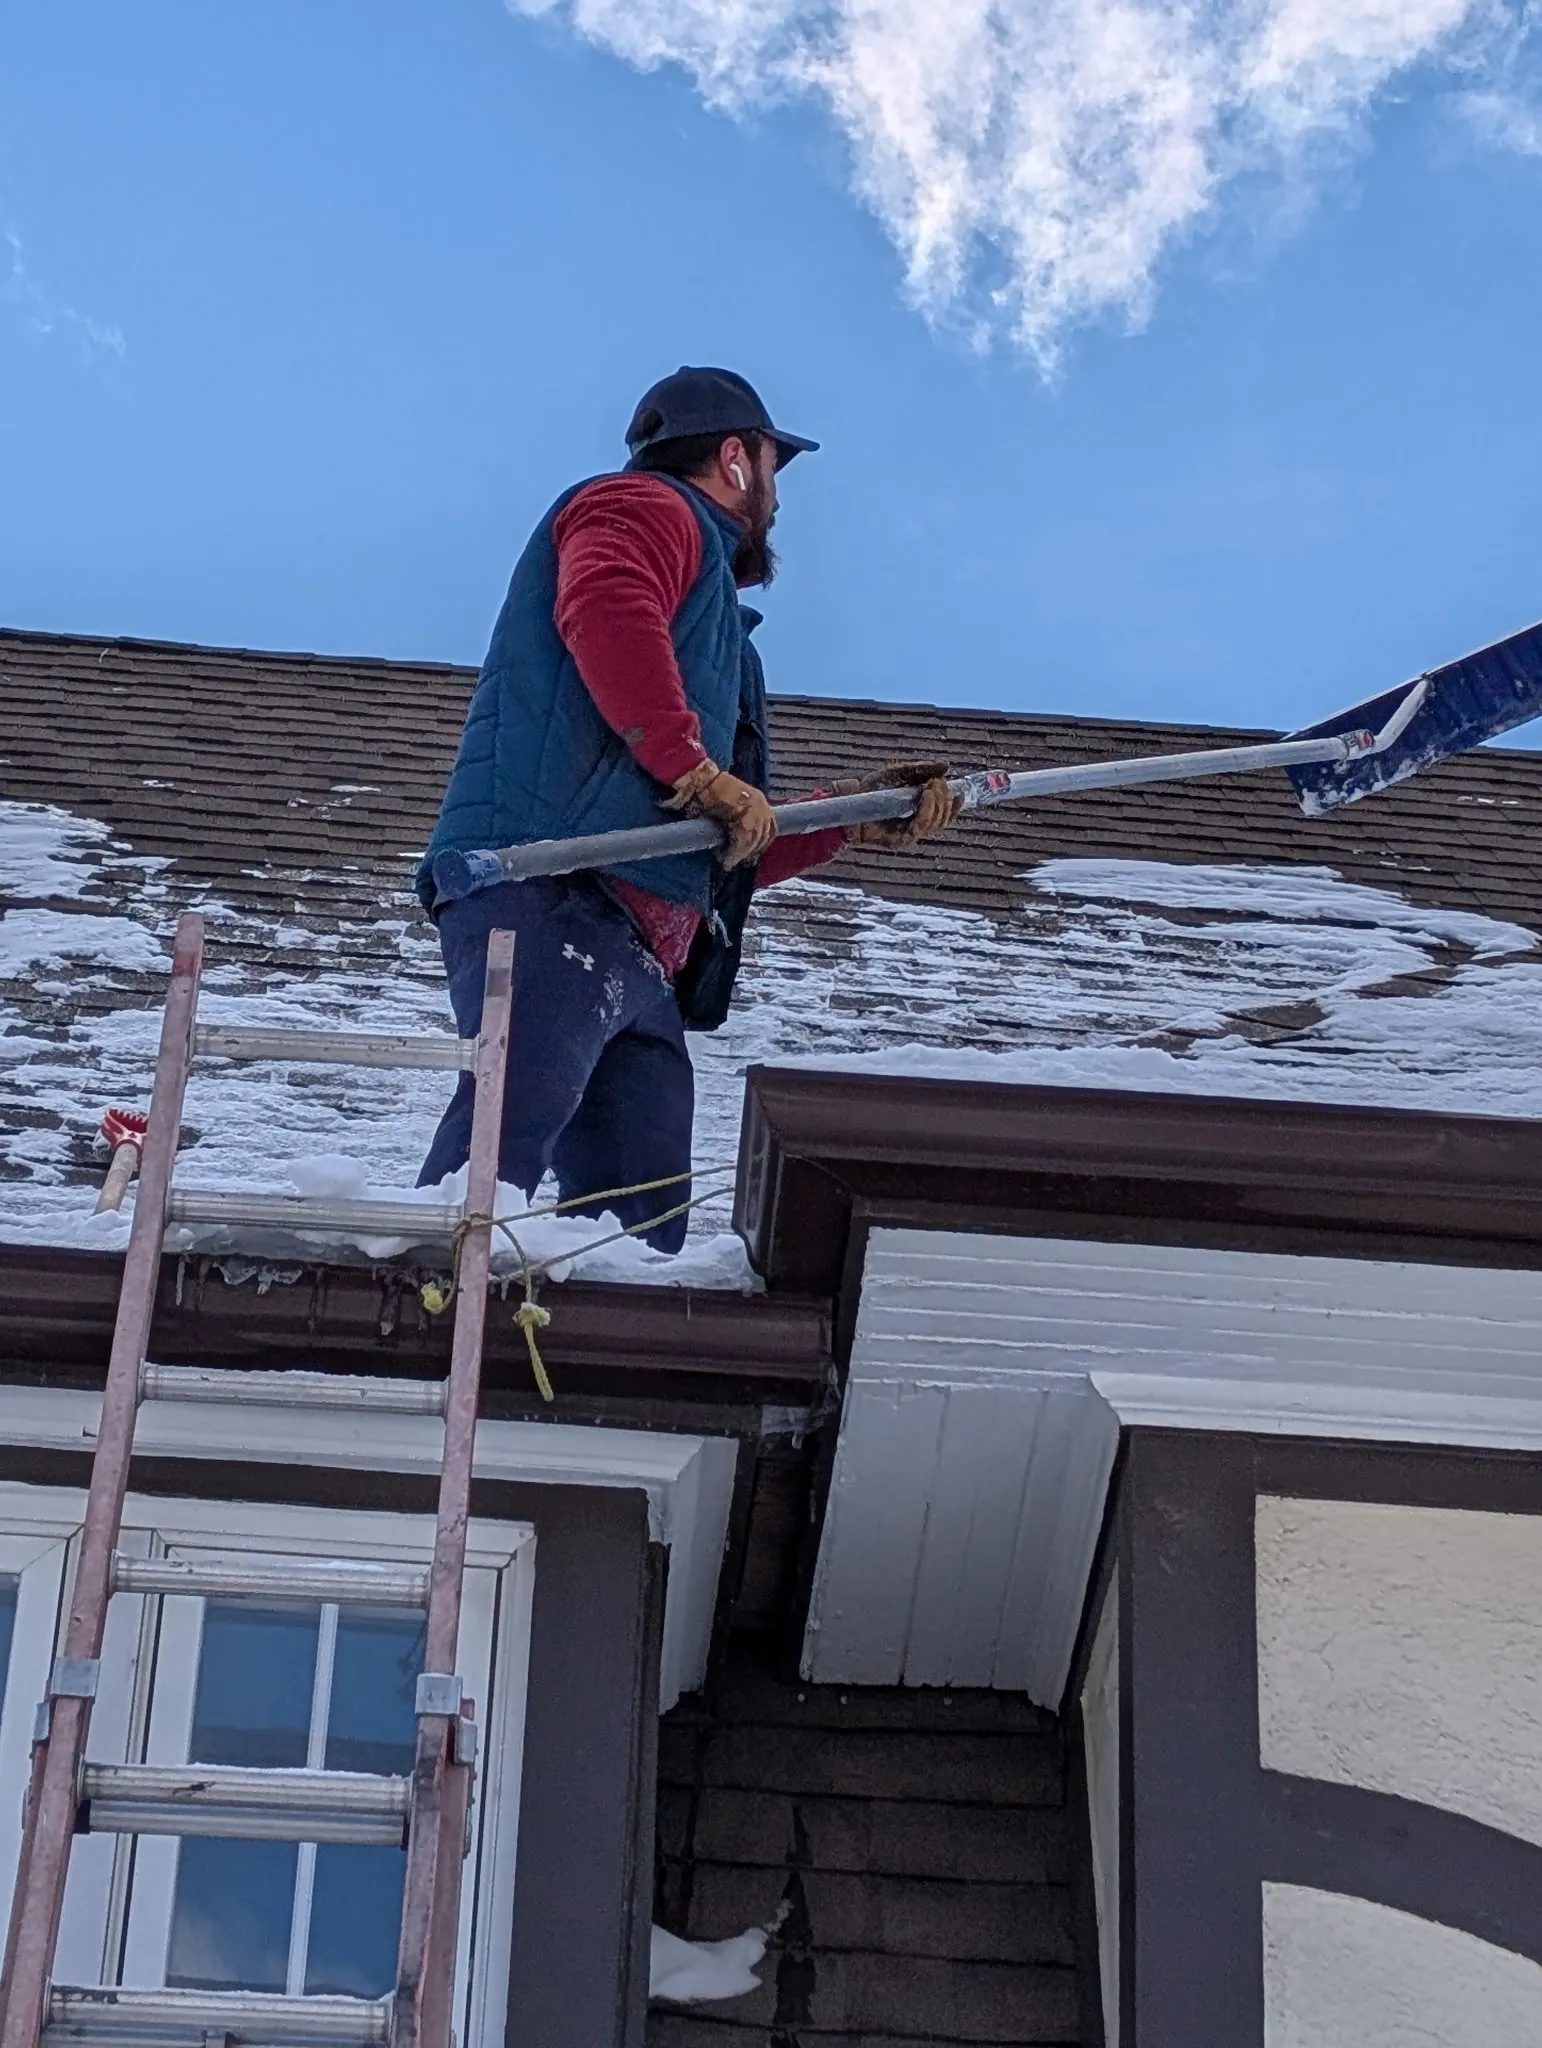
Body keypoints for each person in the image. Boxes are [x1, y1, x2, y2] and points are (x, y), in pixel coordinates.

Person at [415, 366, 960, 1250]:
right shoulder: (645, 510)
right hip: (553, 887)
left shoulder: (720, 650)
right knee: (501, 1148)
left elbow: (723, 842)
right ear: (737, 459)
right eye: (775, 472)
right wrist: (693, 767)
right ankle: (421, 1294)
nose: (778, 501)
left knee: (637, 1230)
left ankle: (596, 1369)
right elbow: (605, 602)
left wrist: (851, 816)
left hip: (638, 944)